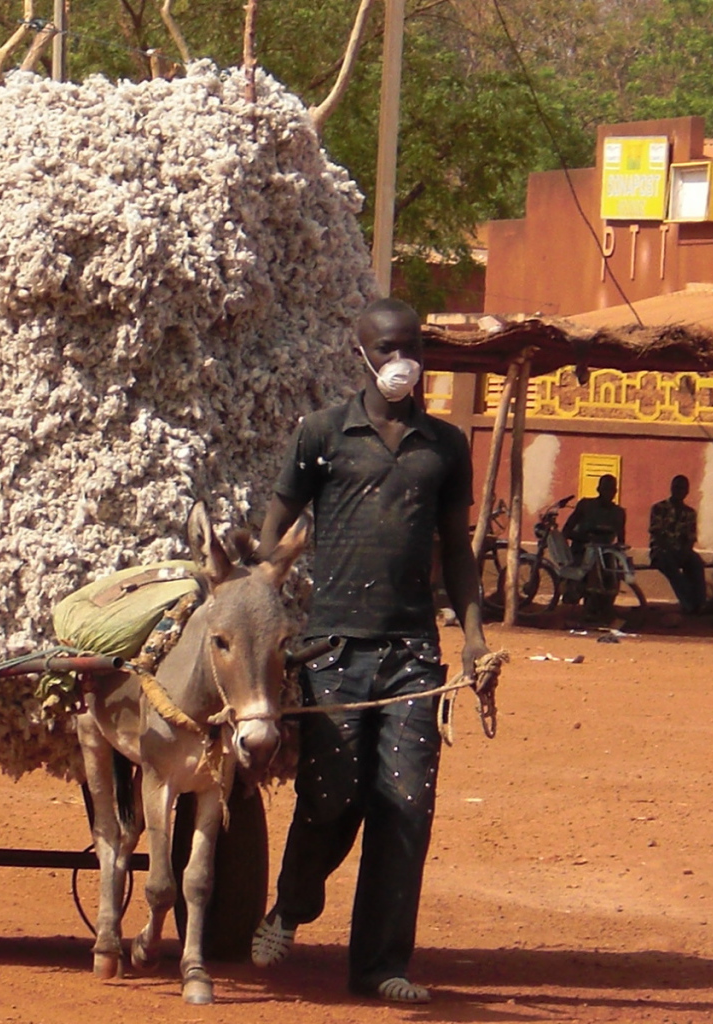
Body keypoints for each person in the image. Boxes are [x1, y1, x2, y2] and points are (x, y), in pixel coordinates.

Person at [249, 297, 489, 1004]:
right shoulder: (323, 434)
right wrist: (263, 609)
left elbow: (457, 550)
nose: (400, 360)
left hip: (413, 653)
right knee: (331, 799)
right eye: (387, 348)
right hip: (332, 651)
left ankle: (381, 966)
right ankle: (292, 904)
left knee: (406, 804)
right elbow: (274, 531)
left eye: (411, 346)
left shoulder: (445, 446)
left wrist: (474, 639)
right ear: (361, 353)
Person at [648, 474, 706, 614]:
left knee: (696, 563)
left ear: (687, 491)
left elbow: (690, 537)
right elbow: (657, 533)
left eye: (682, 488)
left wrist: (685, 552)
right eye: (676, 487)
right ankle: (689, 604)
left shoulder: (690, 513)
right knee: (672, 568)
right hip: (661, 551)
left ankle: (701, 603)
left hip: (681, 551)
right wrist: (670, 550)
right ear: (671, 488)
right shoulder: (659, 508)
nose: (679, 491)